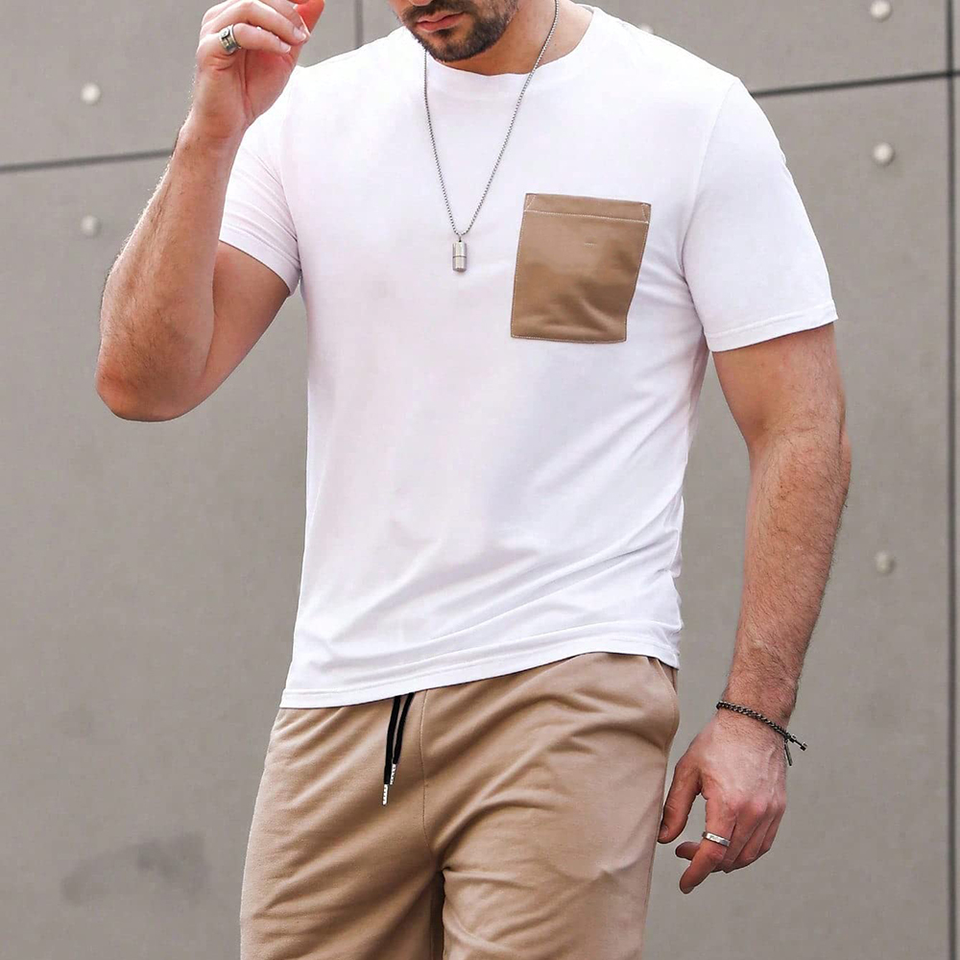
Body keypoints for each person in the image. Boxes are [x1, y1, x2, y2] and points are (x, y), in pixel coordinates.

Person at [95, 0, 852, 955]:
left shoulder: (686, 114)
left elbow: (800, 428)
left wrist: (754, 715)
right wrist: (211, 136)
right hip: (339, 699)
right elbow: (143, 384)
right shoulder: (308, 119)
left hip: (567, 679)